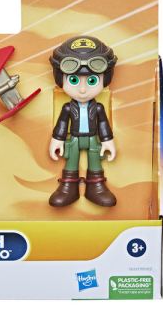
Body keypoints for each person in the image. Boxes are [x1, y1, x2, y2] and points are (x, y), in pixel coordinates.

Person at [48, 36, 117, 207]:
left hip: (93, 139)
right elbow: (62, 124)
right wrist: (57, 139)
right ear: (60, 78)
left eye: (92, 80)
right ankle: (68, 188)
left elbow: (103, 124)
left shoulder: (98, 107)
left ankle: (97, 187)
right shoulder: (67, 108)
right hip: (74, 139)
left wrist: (107, 140)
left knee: (95, 160)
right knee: (71, 161)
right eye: (74, 80)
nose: (83, 90)